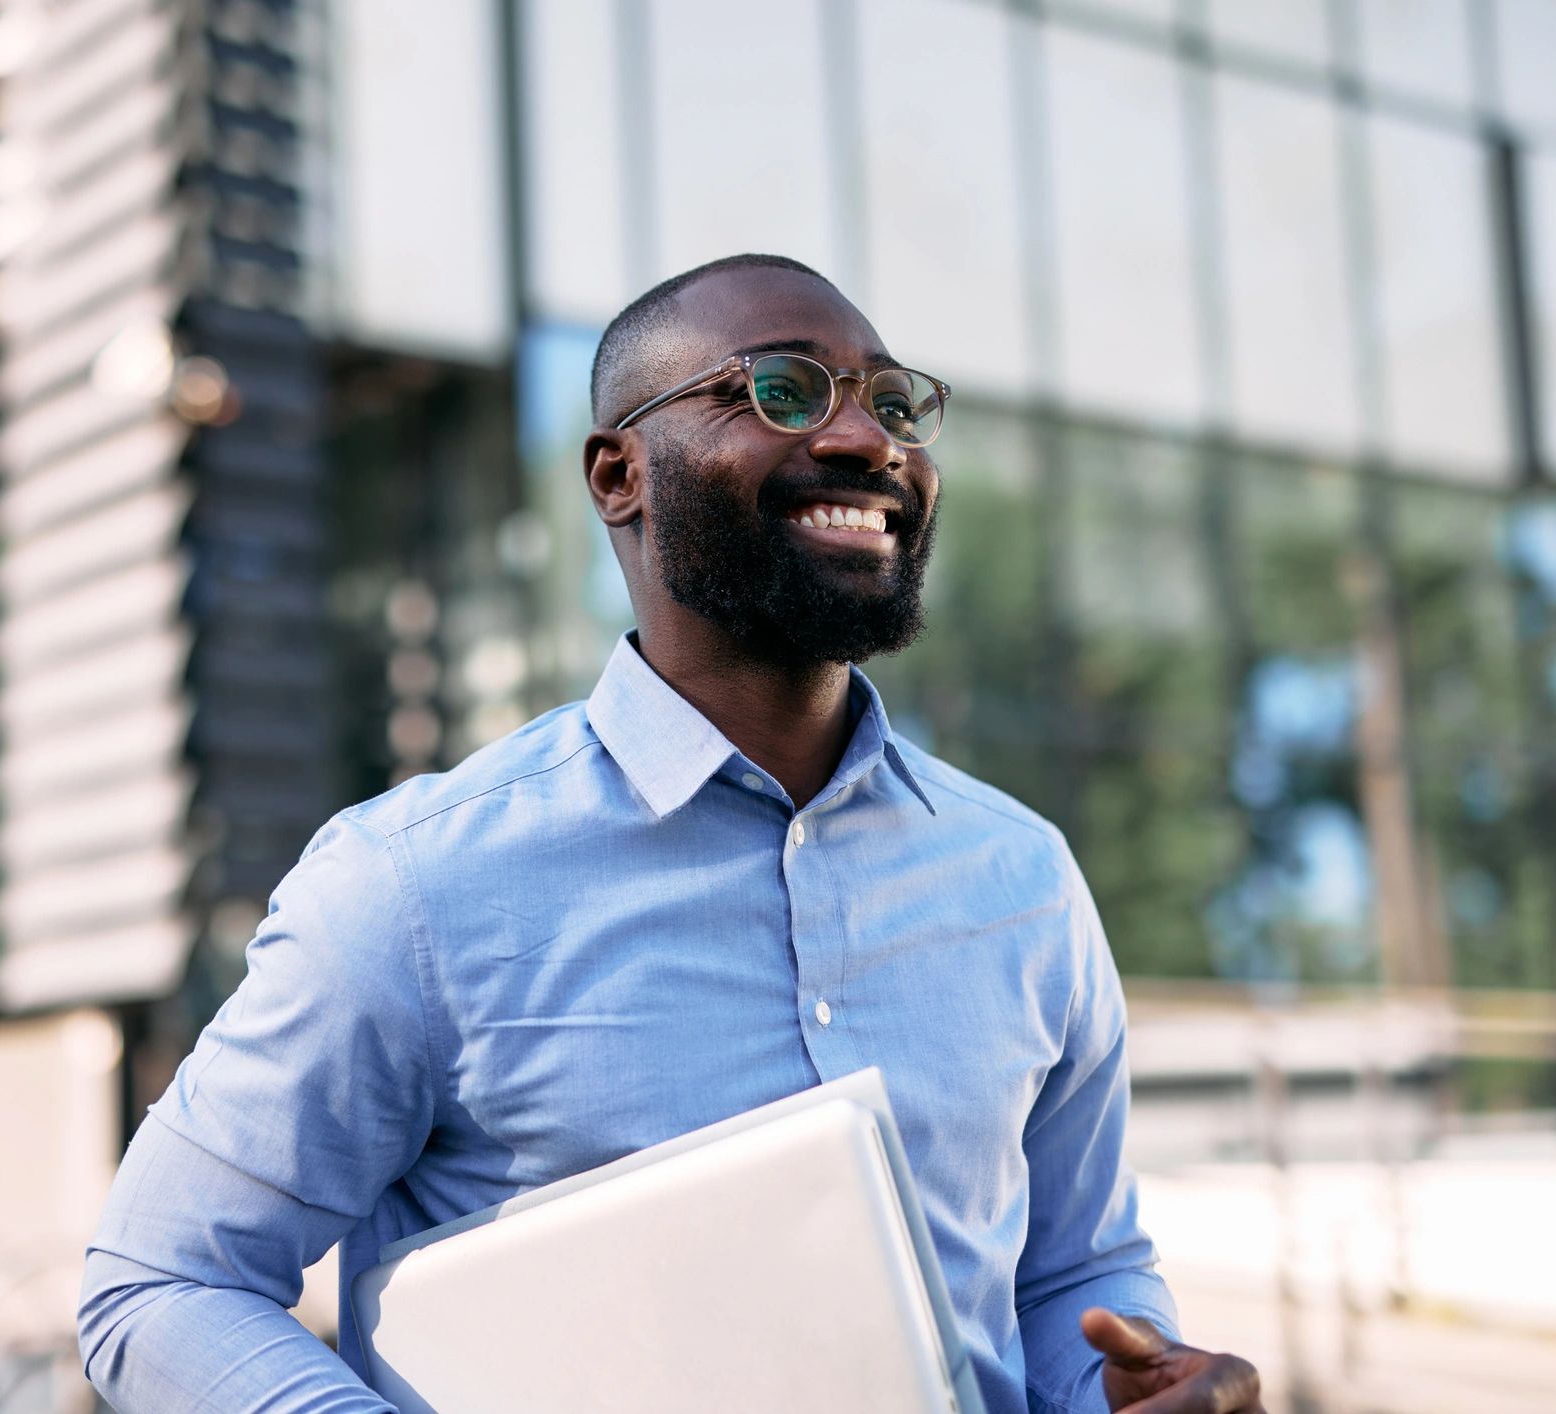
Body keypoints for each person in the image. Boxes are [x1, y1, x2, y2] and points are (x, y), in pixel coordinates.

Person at [77, 253, 1264, 1413]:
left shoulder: (1022, 878)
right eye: (781, 390)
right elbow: (162, 1280)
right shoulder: (411, 887)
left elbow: (1068, 1272)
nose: (868, 440)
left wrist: (1130, 1381)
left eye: (894, 404)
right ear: (618, 475)